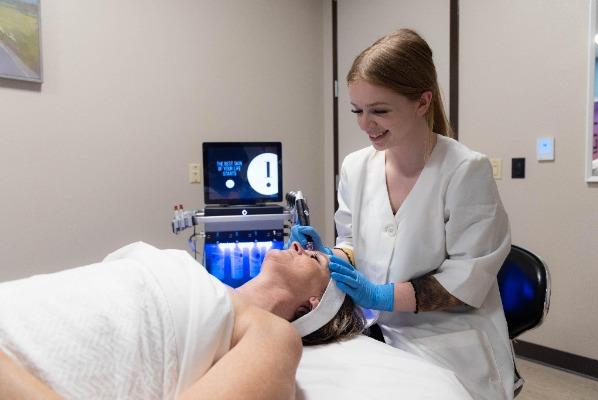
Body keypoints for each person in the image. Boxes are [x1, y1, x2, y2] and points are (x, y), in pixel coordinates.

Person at [290, 28, 514, 400]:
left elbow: (466, 283)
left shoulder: (464, 171)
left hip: (447, 339)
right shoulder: (356, 167)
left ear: (422, 102)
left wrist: (380, 294)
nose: (365, 124)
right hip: (380, 332)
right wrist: (333, 256)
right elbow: (352, 242)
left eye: (379, 110)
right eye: (357, 111)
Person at [0, 241, 364, 400]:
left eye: (314, 258)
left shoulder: (271, 333)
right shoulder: (202, 283)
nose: (299, 246)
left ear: (312, 305)